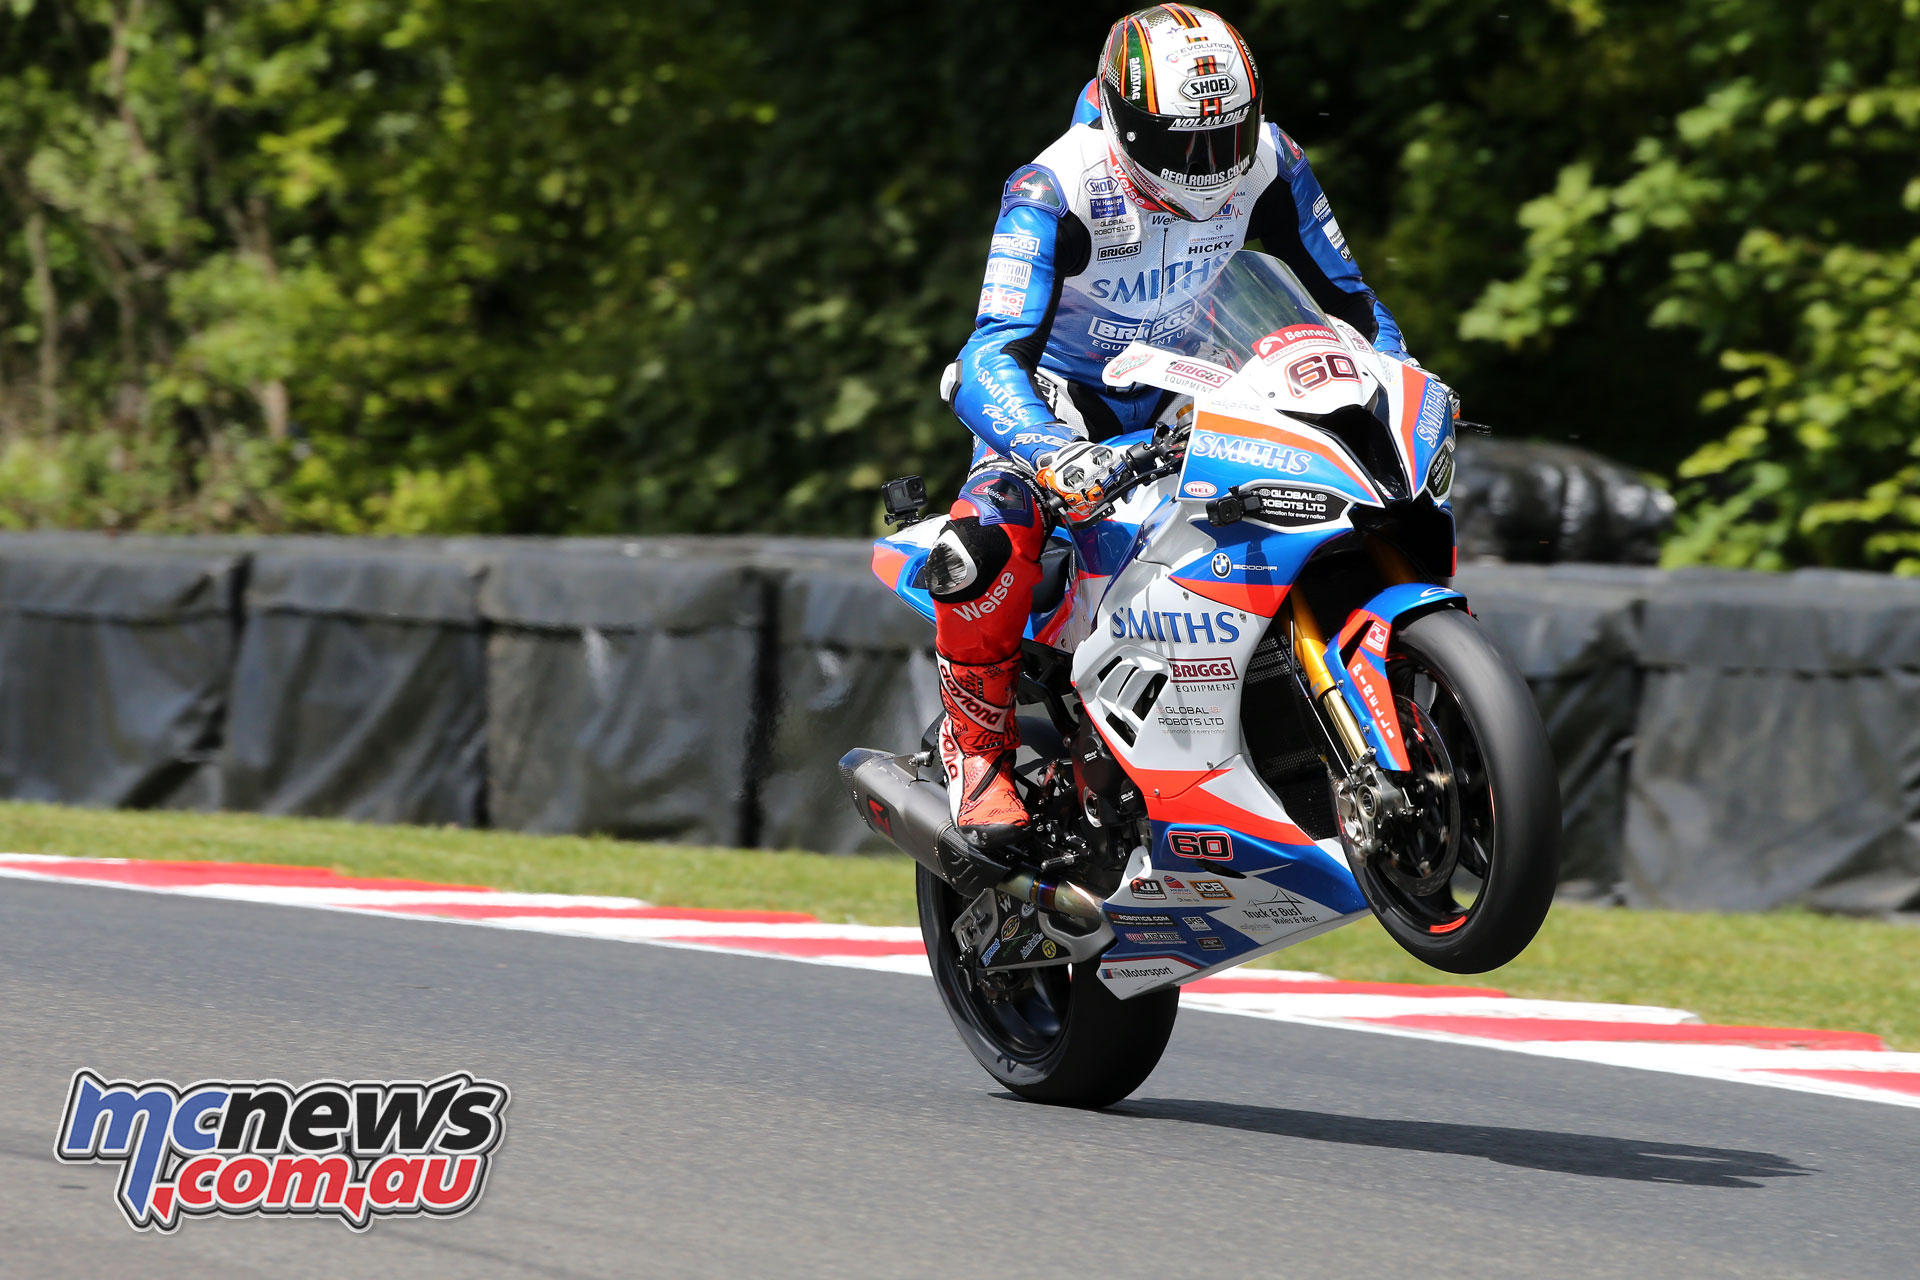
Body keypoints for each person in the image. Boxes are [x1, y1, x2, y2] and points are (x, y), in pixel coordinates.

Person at [929, 4, 1418, 840]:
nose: (1211, 165)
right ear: (1122, 119)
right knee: (983, 538)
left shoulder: (1272, 160)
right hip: (1067, 401)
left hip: (1206, 380)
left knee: (1367, 471)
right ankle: (977, 754)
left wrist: (1400, 385)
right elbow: (986, 356)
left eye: (1226, 137)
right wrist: (1053, 453)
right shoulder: (1054, 187)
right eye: (1184, 144)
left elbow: (1354, 305)